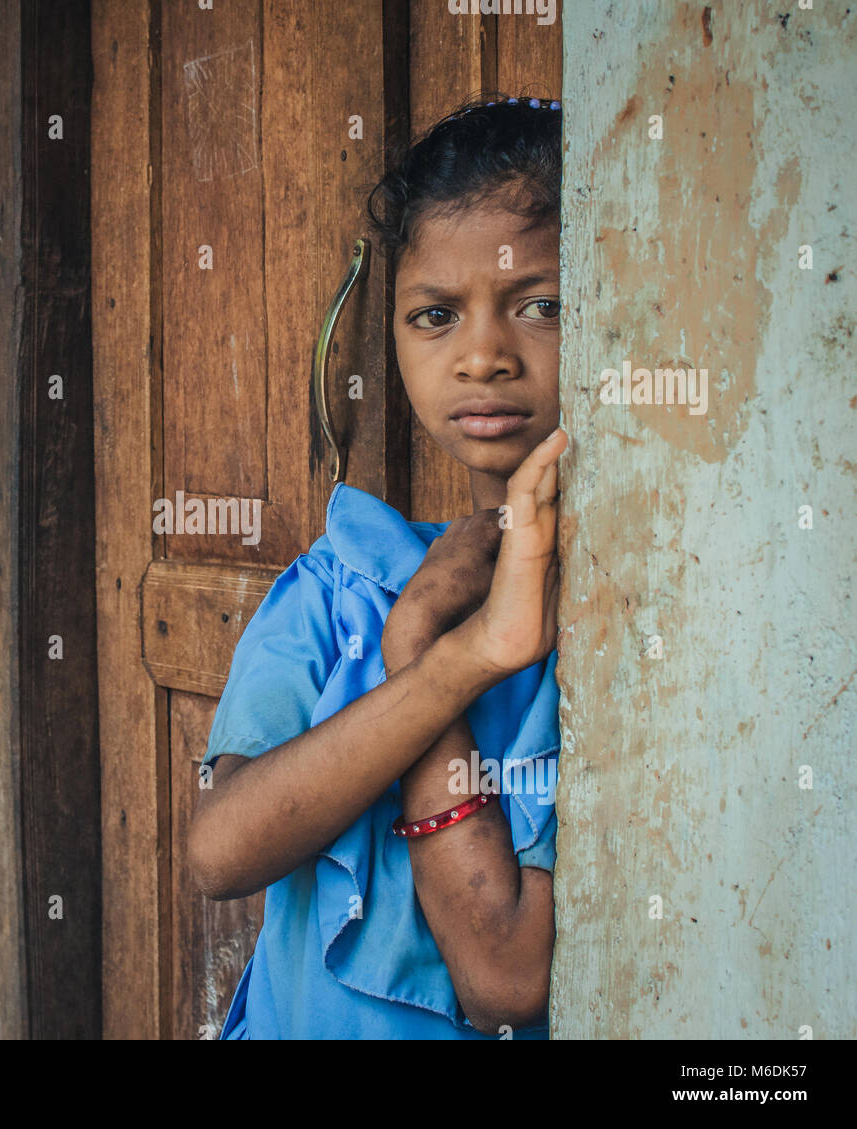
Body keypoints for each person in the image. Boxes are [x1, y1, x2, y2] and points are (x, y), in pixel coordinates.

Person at [187, 95, 569, 1040]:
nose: (483, 356)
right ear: (388, 341)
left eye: (543, 306)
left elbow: (507, 982)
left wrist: (437, 650)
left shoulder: (616, 609)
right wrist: (438, 651)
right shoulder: (345, 578)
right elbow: (221, 850)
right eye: (435, 314)